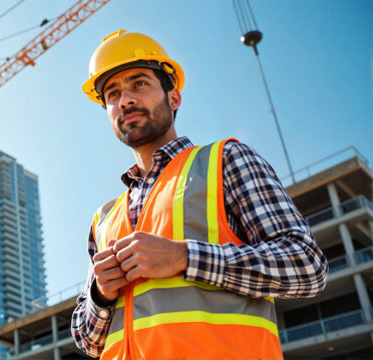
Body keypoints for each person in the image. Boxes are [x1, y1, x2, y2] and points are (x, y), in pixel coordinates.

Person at [69, 29, 327, 359]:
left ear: (173, 98)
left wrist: (185, 258)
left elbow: (306, 267)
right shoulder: (103, 219)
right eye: (112, 94)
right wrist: (100, 294)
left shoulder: (225, 161)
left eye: (139, 84)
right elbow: (87, 341)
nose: (125, 100)